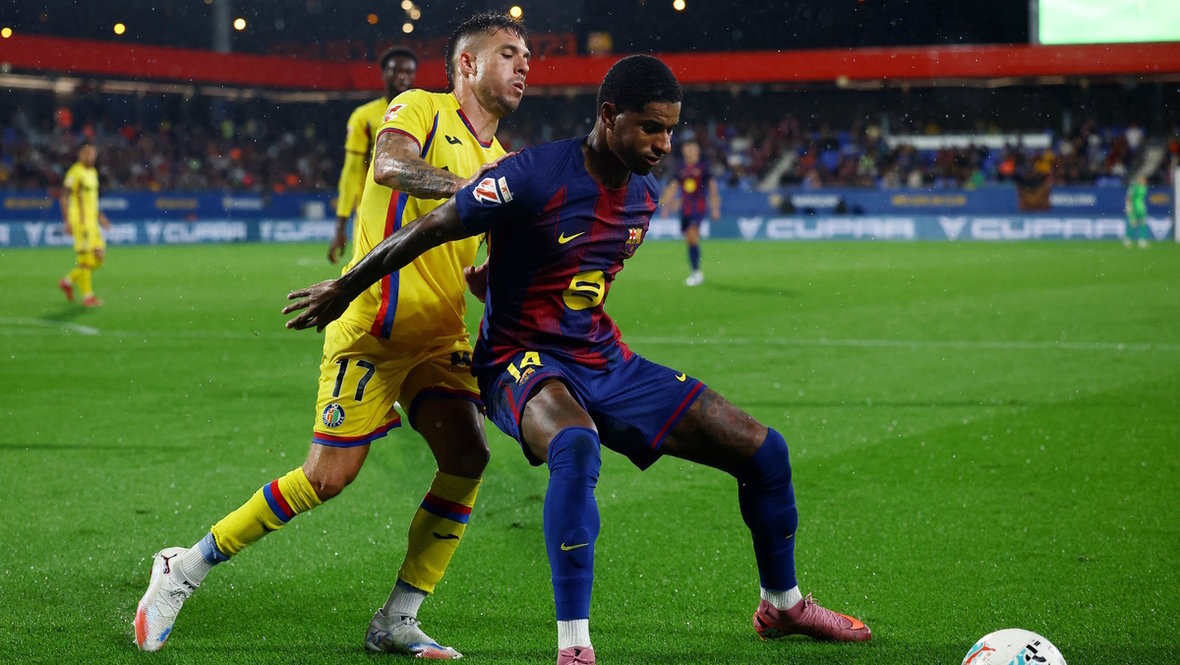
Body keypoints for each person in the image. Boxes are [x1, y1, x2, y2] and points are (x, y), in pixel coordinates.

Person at [284, 54, 871, 665]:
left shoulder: (644, 193)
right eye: (651, 128)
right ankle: (574, 647)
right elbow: (432, 227)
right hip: (516, 359)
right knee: (576, 444)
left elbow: (571, 268)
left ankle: (783, 605)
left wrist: (499, 275)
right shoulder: (530, 174)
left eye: (671, 130)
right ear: (609, 116)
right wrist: (346, 285)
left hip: (601, 358)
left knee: (764, 451)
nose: (664, 145)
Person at [134, 13, 531, 657]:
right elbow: (390, 165)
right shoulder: (420, 108)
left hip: (438, 338)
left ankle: (397, 618)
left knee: (468, 457)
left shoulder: (506, 163)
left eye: (527, 57)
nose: (524, 65)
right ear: (467, 63)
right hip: (370, 326)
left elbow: (481, 271)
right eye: (509, 53)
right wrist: (471, 193)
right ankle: (183, 567)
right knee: (326, 478)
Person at [329, 46, 418, 264]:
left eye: (408, 71)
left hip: (413, 210)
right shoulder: (364, 116)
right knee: (366, 275)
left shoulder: (423, 114)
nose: (403, 76)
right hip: (372, 210)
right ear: (384, 74)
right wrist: (341, 226)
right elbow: (351, 171)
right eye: (396, 70)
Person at [660, 138, 720, 286]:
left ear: (697, 150)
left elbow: (712, 187)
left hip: (698, 207)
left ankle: (697, 273)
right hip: (684, 208)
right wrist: (666, 206)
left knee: (692, 235)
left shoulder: (703, 167)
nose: (690, 150)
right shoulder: (680, 168)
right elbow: (673, 187)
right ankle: (695, 271)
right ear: (683, 150)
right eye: (687, 148)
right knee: (689, 240)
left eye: (692, 148)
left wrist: (715, 208)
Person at [58, 142, 111, 307]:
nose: (90, 156)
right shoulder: (75, 172)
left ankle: (68, 280)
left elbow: (92, 200)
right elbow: (63, 196)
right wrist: (67, 220)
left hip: (92, 222)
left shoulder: (93, 172)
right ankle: (88, 297)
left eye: (93, 153)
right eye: (87, 152)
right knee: (86, 260)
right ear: (80, 154)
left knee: (99, 257)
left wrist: (100, 217)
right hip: (80, 222)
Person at [1124, 173, 1149, 248]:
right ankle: (1128, 239)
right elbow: (1129, 197)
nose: (1143, 181)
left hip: (1141, 208)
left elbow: (1142, 199)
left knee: (1143, 223)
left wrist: (1144, 206)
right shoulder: (1134, 187)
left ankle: (1142, 240)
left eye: (1144, 180)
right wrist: (1128, 207)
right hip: (1134, 208)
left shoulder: (1144, 188)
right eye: (1142, 179)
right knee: (1133, 224)